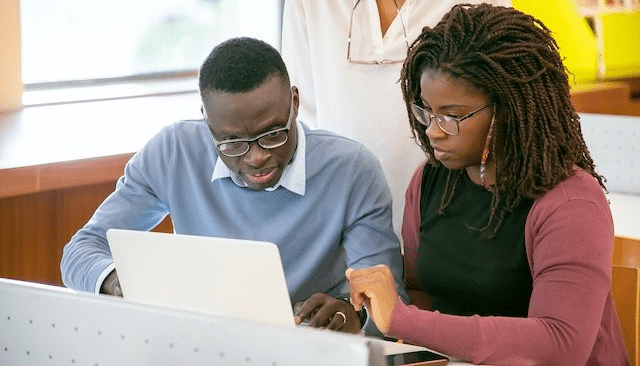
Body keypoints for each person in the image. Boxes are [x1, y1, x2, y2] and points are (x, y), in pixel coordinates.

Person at [60, 37, 406, 335]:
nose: (255, 157)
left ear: (295, 104)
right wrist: (126, 286)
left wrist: (352, 315)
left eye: (273, 134)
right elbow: (80, 252)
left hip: (309, 350)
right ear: (207, 122)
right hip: (201, 343)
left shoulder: (351, 169)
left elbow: (391, 305)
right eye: (232, 142)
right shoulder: (173, 152)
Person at [346, 4, 630, 365]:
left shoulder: (571, 202)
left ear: (507, 109)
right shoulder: (430, 181)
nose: (432, 131)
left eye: (451, 116)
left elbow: (560, 344)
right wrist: (357, 306)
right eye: (425, 111)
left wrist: (403, 319)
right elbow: (421, 291)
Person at [281, 0, 511, 243]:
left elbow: (505, 114)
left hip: (456, 228)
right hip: (344, 234)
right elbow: (302, 124)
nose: (433, 131)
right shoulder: (310, 5)